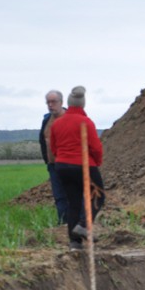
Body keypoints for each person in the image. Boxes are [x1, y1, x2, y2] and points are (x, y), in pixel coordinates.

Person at [49, 86, 105, 251]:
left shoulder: (57, 124)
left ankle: (74, 242)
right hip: (83, 165)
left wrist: (62, 159)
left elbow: (54, 147)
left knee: (73, 202)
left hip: (61, 166)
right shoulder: (86, 122)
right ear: (82, 104)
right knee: (98, 195)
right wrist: (98, 162)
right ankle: (83, 225)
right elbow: (96, 147)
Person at [39, 90, 68, 224]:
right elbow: (43, 140)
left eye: (53, 102)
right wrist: (47, 160)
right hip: (53, 166)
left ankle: (78, 223)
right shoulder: (46, 120)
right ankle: (63, 224)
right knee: (59, 197)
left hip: (70, 165)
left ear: (61, 102)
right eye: (48, 102)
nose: (51, 105)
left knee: (73, 195)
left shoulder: (71, 118)